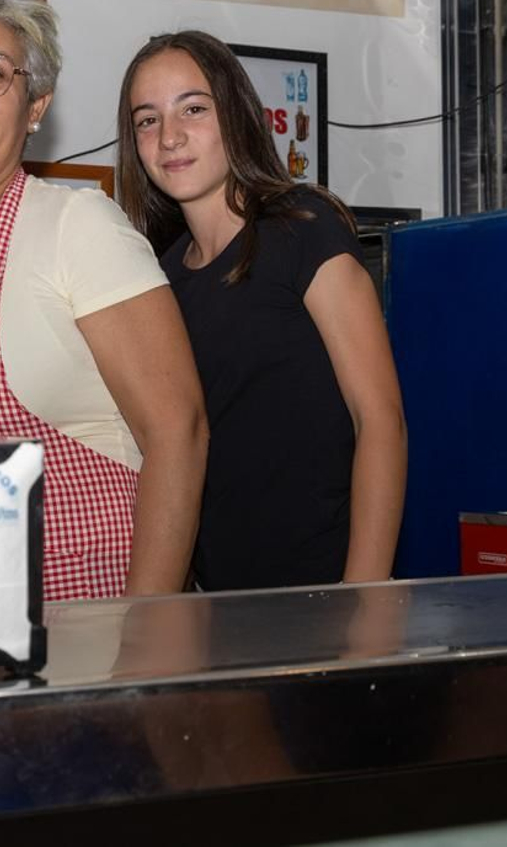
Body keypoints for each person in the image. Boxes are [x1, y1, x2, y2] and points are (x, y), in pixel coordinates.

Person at [0, 0, 208, 602]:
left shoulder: (75, 226)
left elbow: (181, 431)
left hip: (90, 630)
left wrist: (145, 635)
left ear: (36, 106)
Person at [116, 31, 406, 592]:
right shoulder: (161, 275)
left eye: (193, 109)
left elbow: (381, 420)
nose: (170, 137)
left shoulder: (303, 227)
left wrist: (364, 598)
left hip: (326, 591)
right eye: (147, 120)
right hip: (219, 605)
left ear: (238, 114)